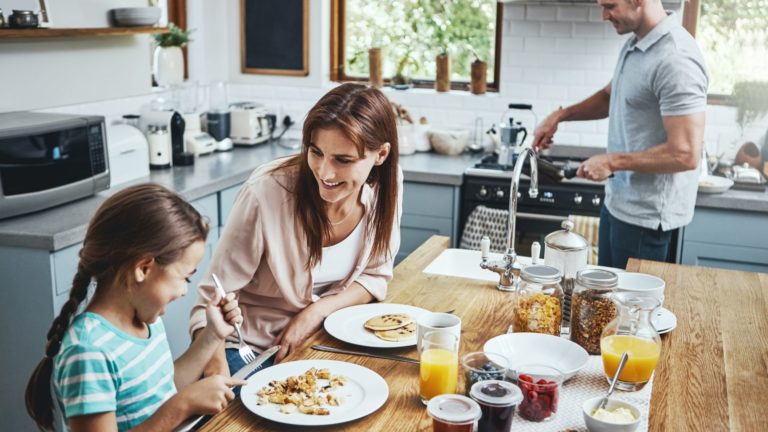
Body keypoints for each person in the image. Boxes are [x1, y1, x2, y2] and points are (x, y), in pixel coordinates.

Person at [189, 83, 402, 375]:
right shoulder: (265, 193)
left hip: (324, 337)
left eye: (343, 160)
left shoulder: (386, 187)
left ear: (380, 155)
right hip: (249, 347)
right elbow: (209, 303)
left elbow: (375, 275)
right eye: (315, 152)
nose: (325, 173)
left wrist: (315, 312)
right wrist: (217, 374)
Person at [25, 184, 247, 432]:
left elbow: (162, 390)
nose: (185, 290)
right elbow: (170, 407)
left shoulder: (147, 321)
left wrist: (212, 336)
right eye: (185, 277)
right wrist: (182, 406)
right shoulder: (88, 351)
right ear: (143, 268)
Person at [532, 0, 708, 269]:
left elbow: (685, 153)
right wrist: (561, 115)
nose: (604, 16)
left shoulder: (676, 58)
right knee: (605, 302)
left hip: (646, 220)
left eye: (610, 6)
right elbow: (609, 96)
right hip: (618, 204)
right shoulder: (636, 43)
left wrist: (612, 162)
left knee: (629, 308)